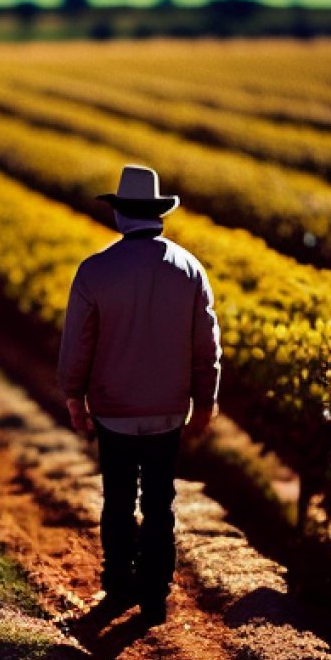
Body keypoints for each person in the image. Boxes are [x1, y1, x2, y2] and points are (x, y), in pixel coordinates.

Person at [58, 164, 221, 625]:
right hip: (168, 411)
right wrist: (205, 402)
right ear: (157, 214)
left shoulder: (94, 271)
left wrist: (74, 397)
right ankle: (154, 594)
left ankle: (117, 585)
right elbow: (205, 345)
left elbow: (78, 344)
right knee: (159, 502)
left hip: (113, 410)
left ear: (120, 215)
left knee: (117, 500)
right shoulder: (191, 270)